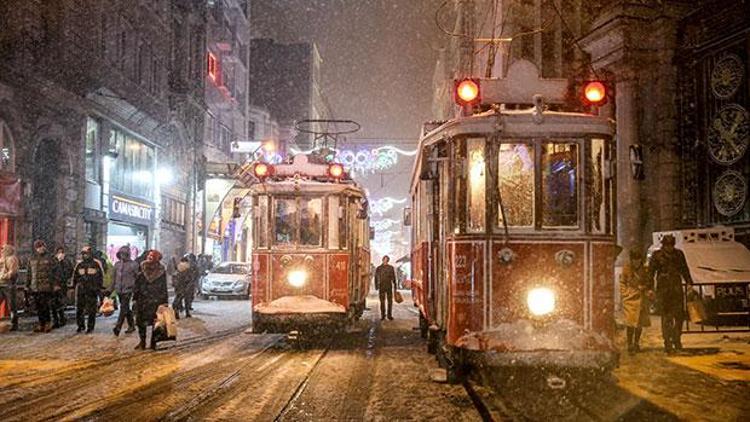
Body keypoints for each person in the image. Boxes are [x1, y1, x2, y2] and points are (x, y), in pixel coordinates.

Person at [649, 234, 693, 354]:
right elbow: (651, 272)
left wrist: (689, 282)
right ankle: (667, 342)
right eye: (667, 245)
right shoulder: (657, 255)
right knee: (666, 317)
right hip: (663, 290)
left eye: (671, 245)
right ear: (663, 245)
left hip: (676, 288)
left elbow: (684, 269)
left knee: (679, 317)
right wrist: (650, 288)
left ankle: (676, 339)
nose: (669, 247)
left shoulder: (678, 254)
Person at [133, 250, 168, 350]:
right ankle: (143, 342)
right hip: (144, 300)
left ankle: (153, 342)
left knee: (156, 322)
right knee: (141, 322)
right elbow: (137, 285)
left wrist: (164, 302)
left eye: (152, 256)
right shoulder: (142, 269)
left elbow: (163, 287)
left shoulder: (161, 272)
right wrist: (135, 298)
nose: (149, 258)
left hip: (154, 301)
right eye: (149, 256)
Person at [620, 248, 652, 354]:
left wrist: (646, 288)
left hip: (642, 298)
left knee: (639, 323)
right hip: (630, 299)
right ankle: (630, 344)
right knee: (630, 323)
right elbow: (622, 282)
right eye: (634, 259)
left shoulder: (645, 269)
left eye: (638, 259)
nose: (636, 261)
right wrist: (625, 294)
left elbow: (649, 281)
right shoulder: (627, 268)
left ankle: (636, 343)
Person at [73, 246, 104, 333]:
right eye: (83, 254)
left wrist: (98, 288)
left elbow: (100, 277)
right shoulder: (79, 265)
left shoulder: (95, 265)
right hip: (81, 290)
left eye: (86, 253)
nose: (84, 255)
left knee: (91, 310)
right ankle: (80, 325)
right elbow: (75, 277)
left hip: (92, 290)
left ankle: (90, 327)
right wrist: (74, 286)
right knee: (79, 309)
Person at [28, 240, 55, 333]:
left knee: (45, 306)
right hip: (35, 286)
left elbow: (55, 272)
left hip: (46, 287)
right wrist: (27, 285)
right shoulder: (32, 258)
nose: (40, 248)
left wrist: (54, 285)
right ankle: (41, 323)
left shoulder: (50, 257)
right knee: (38, 307)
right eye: (38, 247)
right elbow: (29, 273)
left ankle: (47, 323)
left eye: (41, 246)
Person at [112, 246, 139, 336]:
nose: (122, 256)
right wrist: (111, 289)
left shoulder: (133, 265)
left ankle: (118, 327)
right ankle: (131, 325)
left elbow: (137, 277)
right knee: (126, 308)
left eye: (124, 254)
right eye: (121, 254)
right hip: (119, 290)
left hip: (128, 289)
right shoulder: (117, 265)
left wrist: (135, 288)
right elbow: (114, 278)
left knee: (123, 308)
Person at [50, 246, 73, 328]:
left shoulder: (66, 262)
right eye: (59, 252)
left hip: (62, 285)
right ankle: (56, 321)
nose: (60, 254)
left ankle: (62, 319)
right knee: (53, 304)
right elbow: (51, 272)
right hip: (54, 285)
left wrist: (64, 279)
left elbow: (69, 271)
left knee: (60, 303)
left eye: (62, 252)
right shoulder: (53, 261)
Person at [0, 245, 20, 331]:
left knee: (12, 305)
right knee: (11, 305)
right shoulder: (2, 259)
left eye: (3, 249)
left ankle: (14, 323)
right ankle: (14, 323)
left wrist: (3, 276)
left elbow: (12, 272)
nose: (2, 251)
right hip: (2, 284)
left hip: (9, 285)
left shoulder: (12, 259)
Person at [375, 256, 397, 320]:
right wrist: (376, 286)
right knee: (382, 302)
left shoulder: (391, 268)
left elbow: (393, 277)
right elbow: (376, 277)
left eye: (386, 260)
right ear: (382, 260)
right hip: (381, 286)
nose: (385, 261)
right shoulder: (379, 268)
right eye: (384, 259)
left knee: (390, 302)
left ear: (388, 261)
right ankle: (383, 315)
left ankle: (389, 315)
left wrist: (395, 286)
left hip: (389, 286)